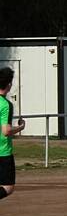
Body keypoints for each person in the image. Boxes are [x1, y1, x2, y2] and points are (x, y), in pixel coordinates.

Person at [0, 68, 25, 205]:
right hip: (2, 152)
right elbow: (6, 131)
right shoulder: (5, 105)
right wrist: (20, 127)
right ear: (8, 85)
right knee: (7, 187)